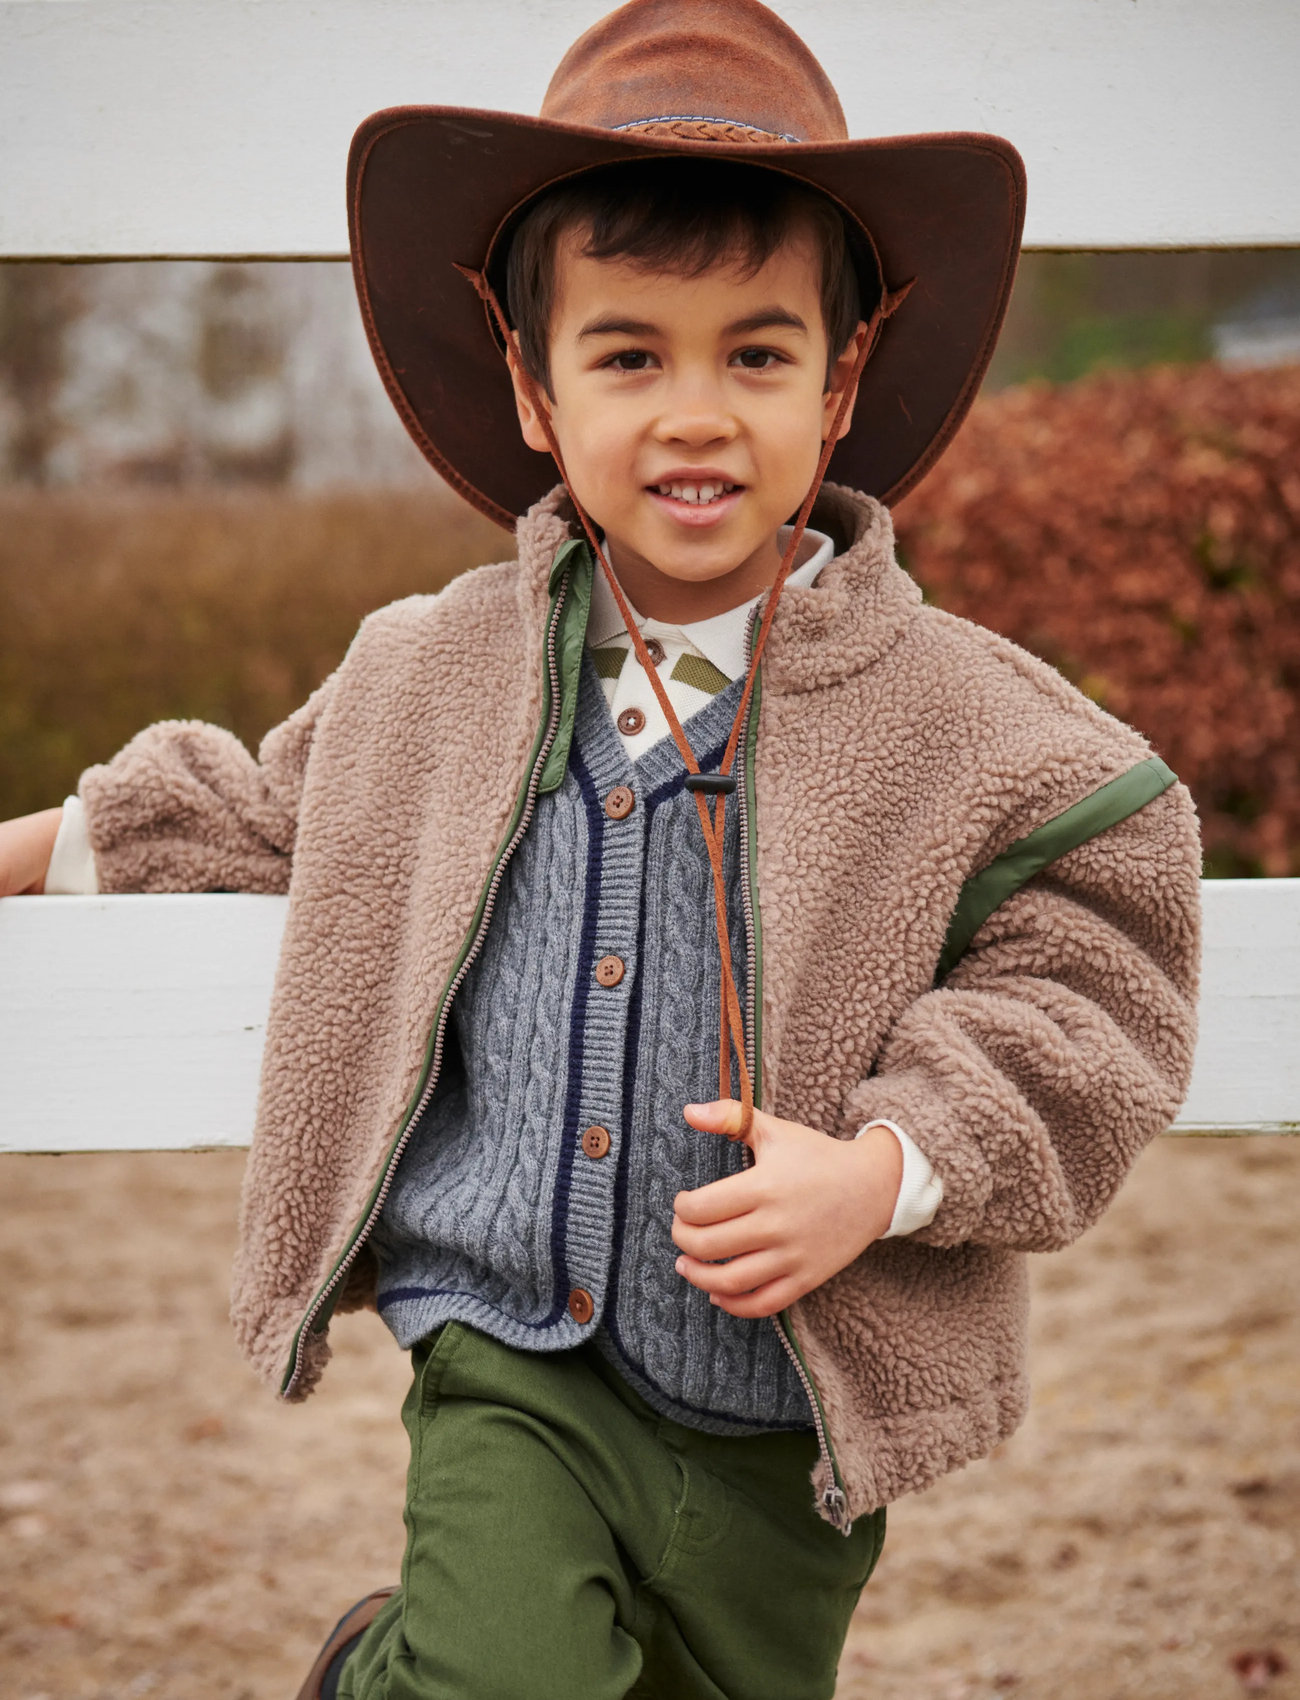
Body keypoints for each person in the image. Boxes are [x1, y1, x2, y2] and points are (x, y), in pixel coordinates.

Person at [0, 1, 1202, 1695]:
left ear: (841, 383)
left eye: (756, 357)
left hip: (789, 1410)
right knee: (502, 1675)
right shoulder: (434, 671)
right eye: (630, 356)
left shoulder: (958, 721)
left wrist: (885, 1167)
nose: (694, 414)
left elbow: (1099, 962)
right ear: (534, 387)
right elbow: (256, 816)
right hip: (511, 1352)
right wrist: (32, 846)